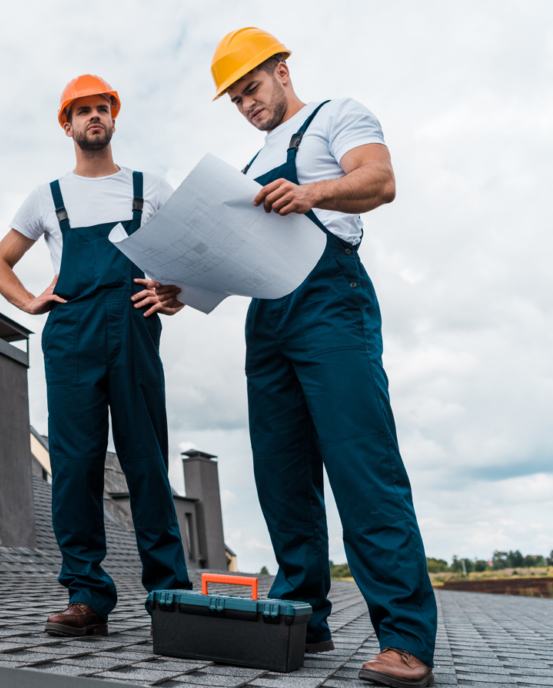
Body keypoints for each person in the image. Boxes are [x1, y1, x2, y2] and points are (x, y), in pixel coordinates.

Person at [155, 28, 437, 688]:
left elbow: (379, 180)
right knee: (283, 479)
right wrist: (180, 289)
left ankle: (404, 637)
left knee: (362, 467)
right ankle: (305, 618)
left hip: (329, 302)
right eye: (236, 100)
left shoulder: (336, 116)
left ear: (282, 70)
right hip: (268, 320)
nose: (248, 106)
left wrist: (312, 193)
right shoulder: (248, 171)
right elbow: (230, 260)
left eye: (252, 89)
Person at [0, 74, 192, 637]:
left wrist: (175, 293)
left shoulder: (151, 189)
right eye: (83, 111)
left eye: (102, 108)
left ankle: (169, 593)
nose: (94, 117)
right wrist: (29, 300)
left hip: (134, 328)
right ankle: (87, 596)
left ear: (113, 118)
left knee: (146, 461)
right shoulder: (47, 198)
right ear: (67, 124)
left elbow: (194, 258)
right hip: (72, 335)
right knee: (74, 467)